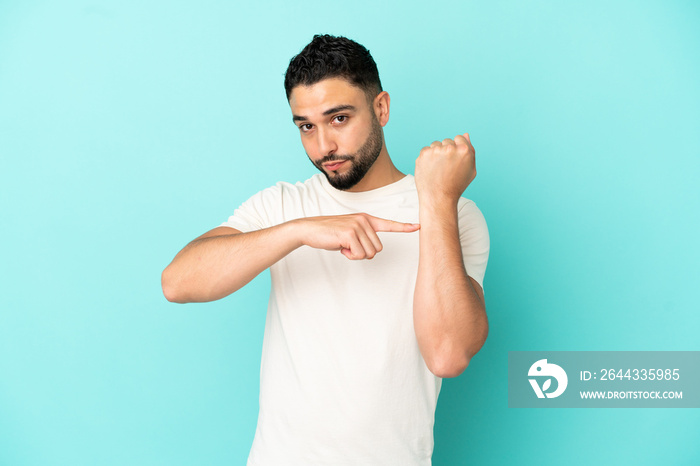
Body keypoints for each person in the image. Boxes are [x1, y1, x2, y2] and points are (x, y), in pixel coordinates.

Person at [162, 34, 490, 466]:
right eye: (306, 126)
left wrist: (434, 199)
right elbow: (178, 282)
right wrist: (298, 231)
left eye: (338, 118)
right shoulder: (283, 205)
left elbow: (448, 354)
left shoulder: (454, 213)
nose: (323, 147)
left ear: (381, 108)